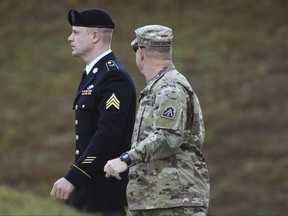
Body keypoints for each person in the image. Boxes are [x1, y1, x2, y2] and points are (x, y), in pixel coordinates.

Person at [104, 25, 210, 216]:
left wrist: (127, 158)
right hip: (154, 200)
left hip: (174, 201)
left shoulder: (170, 88)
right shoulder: (159, 87)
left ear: (141, 53)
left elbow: (167, 137)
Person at [50, 8, 136, 215]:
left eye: (76, 32)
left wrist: (73, 176)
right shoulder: (94, 74)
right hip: (88, 193)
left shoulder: (113, 77)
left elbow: (108, 134)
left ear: (95, 36)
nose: (70, 38)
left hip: (106, 197)